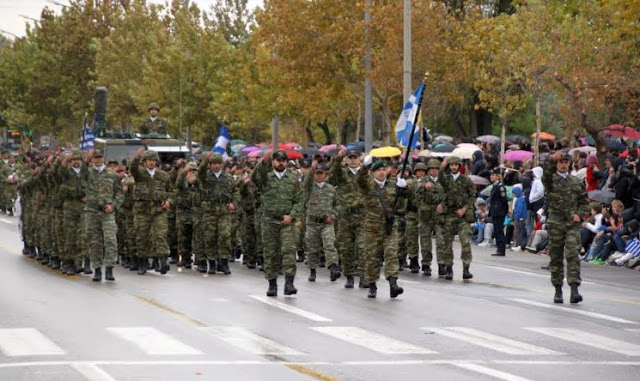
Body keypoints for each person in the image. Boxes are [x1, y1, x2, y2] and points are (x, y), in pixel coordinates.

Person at [252, 149, 302, 297]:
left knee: (288, 251)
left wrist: (292, 216)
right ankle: (272, 284)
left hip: (287, 221)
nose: (281, 162)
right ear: (273, 162)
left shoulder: (293, 178)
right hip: (269, 220)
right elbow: (254, 178)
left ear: (287, 162)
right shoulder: (266, 177)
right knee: (271, 253)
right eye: (278, 160)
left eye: (283, 160)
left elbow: (300, 200)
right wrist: (262, 162)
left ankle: (289, 283)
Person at [542, 151, 589, 304]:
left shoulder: (576, 182)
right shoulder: (551, 180)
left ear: (569, 163)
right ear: (556, 164)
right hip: (555, 223)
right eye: (560, 162)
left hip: (571, 224)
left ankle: (574, 289)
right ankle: (558, 290)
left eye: (565, 162)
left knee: (573, 254)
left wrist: (580, 215)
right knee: (556, 257)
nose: (563, 164)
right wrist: (551, 160)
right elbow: (545, 175)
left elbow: (584, 203)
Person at [357, 157, 405, 299]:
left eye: (384, 170)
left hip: (389, 227)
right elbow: (359, 179)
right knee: (372, 258)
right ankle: (372, 285)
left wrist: (404, 187)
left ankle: (393, 284)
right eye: (378, 170)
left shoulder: (393, 184)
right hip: (372, 228)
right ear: (372, 173)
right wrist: (365, 166)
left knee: (391, 254)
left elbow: (407, 197)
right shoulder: (368, 184)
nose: (382, 172)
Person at [130, 149, 173, 275]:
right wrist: (137, 157)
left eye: (154, 160)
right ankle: (143, 262)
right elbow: (133, 168)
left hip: (159, 211)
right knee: (142, 237)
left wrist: (169, 201)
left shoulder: (163, 176)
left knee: (160, 235)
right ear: (144, 162)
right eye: (149, 160)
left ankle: (163, 260)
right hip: (142, 211)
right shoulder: (139, 174)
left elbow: (172, 191)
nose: (151, 163)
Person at [329, 149, 367, 288]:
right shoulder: (342, 173)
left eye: (354, 157)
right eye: (350, 158)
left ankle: (364, 276)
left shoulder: (365, 174)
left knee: (363, 247)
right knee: (346, 248)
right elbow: (333, 175)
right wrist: (338, 158)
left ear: (359, 159)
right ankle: (349, 276)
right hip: (345, 216)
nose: (352, 160)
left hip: (362, 215)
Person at [85, 149, 124, 282]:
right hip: (92, 211)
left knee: (110, 240)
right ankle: (96, 269)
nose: (97, 160)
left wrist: (113, 205)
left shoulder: (111, 175)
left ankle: (109, 268)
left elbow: (119, 193)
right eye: (95, 158)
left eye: (99, 158)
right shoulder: (87, 173)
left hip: (107, 212)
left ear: (103, 158)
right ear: (92, 159)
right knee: (94, 242)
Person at [198, 152, 238, 275]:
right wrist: (205, 159)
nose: (216, 166)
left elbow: (236, 192)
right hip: (209, 211)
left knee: (225, 235)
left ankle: (224, 262)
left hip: (224, 210)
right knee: (210, 237)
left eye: (218, 163)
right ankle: (212, 262)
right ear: (210, 165)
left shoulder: (229, 178)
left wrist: (234, 203)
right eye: (213, 163)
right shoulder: (205, 177)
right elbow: (200, 171)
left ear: (222, 164)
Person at [439, 156, 475, 279]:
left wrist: (464, 209)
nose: (453, 167)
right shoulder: (446, 179)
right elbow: (438, 179)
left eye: (456, 165)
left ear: (459, 166)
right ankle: (449, 269)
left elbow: (472, 196)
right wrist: (441, 167)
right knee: (447, 244)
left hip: (462, 217)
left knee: (465, 243)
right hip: (448, 215)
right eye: (451, 165)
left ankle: (466, 269)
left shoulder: (466, 180)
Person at [304, 161, 339, 282]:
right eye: (316, 173)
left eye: (320, 173)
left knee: (329, 244)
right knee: (312, 248)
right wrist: (311, 169)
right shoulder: (309, 187)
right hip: (312, 222)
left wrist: (333, 216)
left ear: (326, 174)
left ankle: (333, 267)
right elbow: (306, 181)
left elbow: (337, 205)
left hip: (326, 223)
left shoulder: (331, 189)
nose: (318, 176)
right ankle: (312, 270)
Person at [416, 159, 446, 276]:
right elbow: (417, 188)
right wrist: (425, 186)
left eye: (436, 169)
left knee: (441, 241)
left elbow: (449, 195)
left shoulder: (443, 181)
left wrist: (442, 205)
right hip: (426, 215)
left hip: (439, 216)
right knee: (425, 241)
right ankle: (426, 264)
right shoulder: (424, 180)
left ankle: (441, 264)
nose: (434, 171)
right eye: (431, 169)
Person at [488, 168, 509, 256]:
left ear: (497, 176)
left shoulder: (500, 187)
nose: (491, 177)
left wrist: (504, 211)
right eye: (491, 175)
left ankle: (501, 249)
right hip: (495, 211)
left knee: (499, 230)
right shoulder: (494, 186)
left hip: (499, 212)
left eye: (493, 175)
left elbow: (504, 200)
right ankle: (499, 248)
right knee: (496, 230)